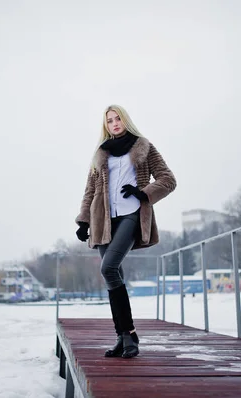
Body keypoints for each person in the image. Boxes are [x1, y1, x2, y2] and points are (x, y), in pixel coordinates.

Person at [75, 104, 176, 359]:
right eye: (109, 120)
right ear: (105, 125)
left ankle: (129, 333)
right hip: (103, 221)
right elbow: (90, 190)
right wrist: (84, 221)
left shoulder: (143, 146)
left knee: (108, 268)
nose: (114, 123)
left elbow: (168, 179)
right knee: (113, 276)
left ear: (125, 120)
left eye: (118, 118)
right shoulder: (101, 153)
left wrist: (143, 193)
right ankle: (123, 338)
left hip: (131, 216)